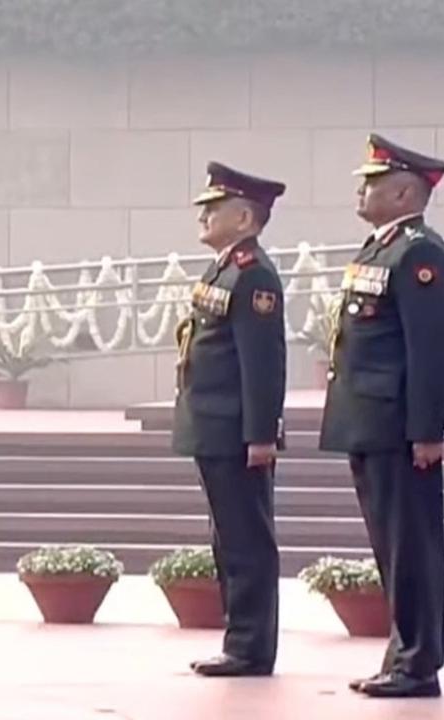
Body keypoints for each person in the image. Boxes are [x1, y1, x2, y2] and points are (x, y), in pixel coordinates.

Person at [319, 134, 444, 699]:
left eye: (372, 182)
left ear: (404, 191)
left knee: (412, 546)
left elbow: (432, 347)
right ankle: (402, 654)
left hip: (400, 426)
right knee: (391, 547)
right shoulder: (381, 249)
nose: (361, 189)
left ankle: (419, 663)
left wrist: (428, 429)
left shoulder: (420, 252)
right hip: (370, 420)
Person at [172, 162, 287, 677]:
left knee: (246, 541)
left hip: (237, 432)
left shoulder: (254, 273)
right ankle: (239, 639)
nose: (203, 215)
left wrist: (261, 435)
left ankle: (250, 647)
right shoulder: (225, 267)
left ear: (243, 217)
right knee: (228, 539)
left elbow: (262, 362)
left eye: (213, 208)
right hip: (214, 426)